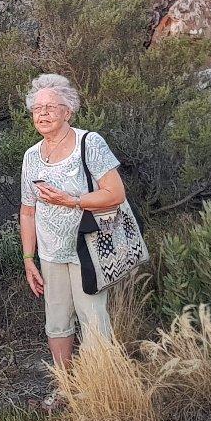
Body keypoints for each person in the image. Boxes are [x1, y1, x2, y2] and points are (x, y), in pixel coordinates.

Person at [18, 74, 127, 375]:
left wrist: (72, 200)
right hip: (51, 255)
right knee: (56, 322)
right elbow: (28, 211)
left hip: (88, 250)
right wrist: (29, 258)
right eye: (37, 108)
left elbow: (115, 194)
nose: (43, 113)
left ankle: (98, 389)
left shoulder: (89, 143)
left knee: (93, 320)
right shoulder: (31, 156)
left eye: (52, 106)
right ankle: (65, 386)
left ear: (68, 111)